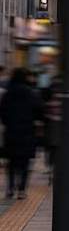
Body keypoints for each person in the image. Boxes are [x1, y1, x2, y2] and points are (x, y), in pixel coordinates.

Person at [0, 69, 44, 198]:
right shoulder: (31, 93)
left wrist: (8, 122)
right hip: (27, 131)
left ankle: (10, 188)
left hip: (11, 131)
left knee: (11, 161)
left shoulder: (8, 93)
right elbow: (39, 111)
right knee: (25, 162)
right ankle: (22, 190)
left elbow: (2, 112)